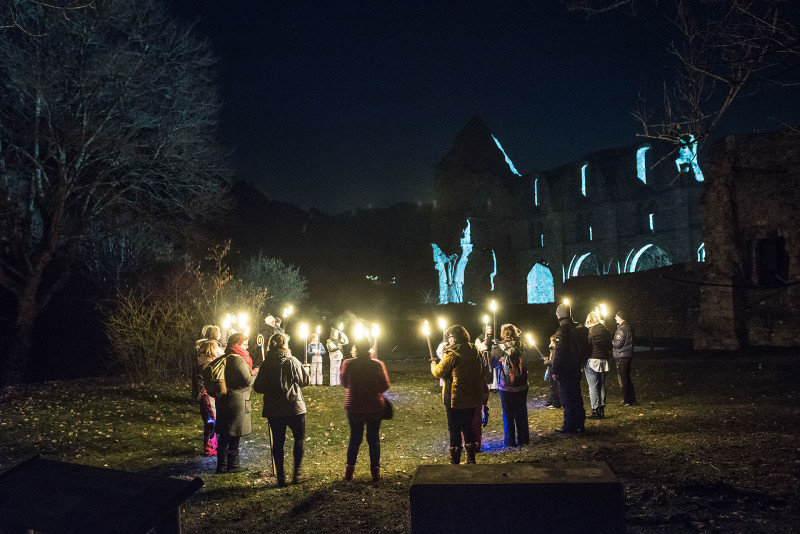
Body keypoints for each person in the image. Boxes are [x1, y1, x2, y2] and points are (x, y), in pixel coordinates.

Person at [259, 333, 311, 487]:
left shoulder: (266, 364)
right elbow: (304, 381)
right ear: (285, 344)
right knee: (299, 438)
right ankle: (297, 472)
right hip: (293, 406)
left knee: (278, 441)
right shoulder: (291, 361)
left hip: (274, 409)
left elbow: (258, 386)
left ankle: (281, 476)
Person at [431, 325, 485, 464]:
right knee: (468, 426)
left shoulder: (453, 354)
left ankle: (455, 460)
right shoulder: (475, 350)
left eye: (449, 337)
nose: (449, 340)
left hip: (454, 398)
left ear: (454, 338)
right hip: (472, 396)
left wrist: (433, 364)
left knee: (454, 428)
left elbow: (439, 372)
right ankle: (470, 459)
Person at [340, 344, 390, 483]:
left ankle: (349, 473)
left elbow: (344, 383)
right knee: (373, 439)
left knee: (355, 438)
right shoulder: (377, 365)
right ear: (370, 349)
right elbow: (385, 385)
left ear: (355, 349)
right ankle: (375, 473)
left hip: (355, 406)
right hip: (374, 406)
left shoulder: (348, 364)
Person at [215, 333, 255, 473]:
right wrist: (255, 373)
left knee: (224, 433)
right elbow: (247, 380)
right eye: (244, 344)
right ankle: (233, 465)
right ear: (236, 344)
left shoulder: (223, 357)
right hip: (236, 400)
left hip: (223, 400)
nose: (247, 347)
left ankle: (222, 465)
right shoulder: (238, 360)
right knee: (234, 433)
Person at [489, 324, 530, 447]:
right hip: (522, 384)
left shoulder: (499, 346)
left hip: (506, 385)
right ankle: (524, 439)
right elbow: (528, 349)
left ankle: (509, 441)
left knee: (508, 413)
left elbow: (493, 363)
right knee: (521, 412)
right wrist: (521, 335)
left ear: (503, 333)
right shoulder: (521, 345)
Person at [551, 303, 588, 434]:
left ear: (558, 315)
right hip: (576, 368)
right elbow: (586, 347)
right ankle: (580, 423)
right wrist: (582, 362)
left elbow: (559, 352)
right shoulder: (579, 328)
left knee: (567, 397)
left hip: (566, 370)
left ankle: (569, 425)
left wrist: (554, 370)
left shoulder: (562, 330)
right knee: (576, 395)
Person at [194, 337, 221, 456]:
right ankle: (210, 448)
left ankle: (212, 446)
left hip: (206, 395)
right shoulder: (207, 363)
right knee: (212, 421)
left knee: (210, 421)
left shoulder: (202, 361)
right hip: (208, 395)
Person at [585, 312, 612, 419]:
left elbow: (587, 347)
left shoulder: (589, 331)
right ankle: (602, 408)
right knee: (602, 385)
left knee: (593, 386)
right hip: (604, 360)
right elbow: (609, 345)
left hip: (592, 359)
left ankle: (595, 410)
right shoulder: (605, 330)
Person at [612, 310, 637, 406]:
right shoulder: (628, 327)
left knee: (624, 379)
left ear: (620, 317)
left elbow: (618, 344)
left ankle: (627, 400)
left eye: (616, 316)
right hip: (627, 356)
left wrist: (612, 342)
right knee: (627, 378)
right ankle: (632, 399)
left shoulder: (622, 329)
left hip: (622, 357)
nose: (615, 318)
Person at [542, 335, 562, 409]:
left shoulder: (556, 350)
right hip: (552, 370)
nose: (550, 343)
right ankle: (551, 400)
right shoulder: (553, 349)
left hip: (554, 370)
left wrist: (547, 362)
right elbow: (551, 358)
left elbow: (553, 361)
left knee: (555, 387)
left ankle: (556, 403)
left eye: (551, 341)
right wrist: (547, 358)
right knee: (552, 386)